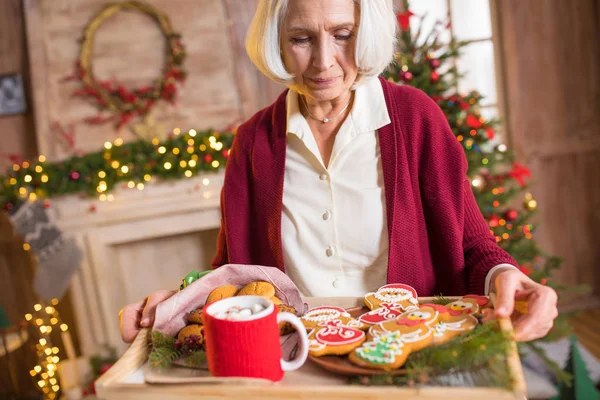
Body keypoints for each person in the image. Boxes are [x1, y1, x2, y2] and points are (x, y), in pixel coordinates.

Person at [120, 0, 557, 344]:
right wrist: (175, 304)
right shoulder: (253, 143)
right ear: (277, 41)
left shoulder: (415, 118)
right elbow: (230, 274)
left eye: (342, 35)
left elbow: (472, 243)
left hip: (412, 355)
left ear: (365, 33)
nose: (324, 61)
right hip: (298, 363)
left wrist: (506, 277)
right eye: (301, 38)